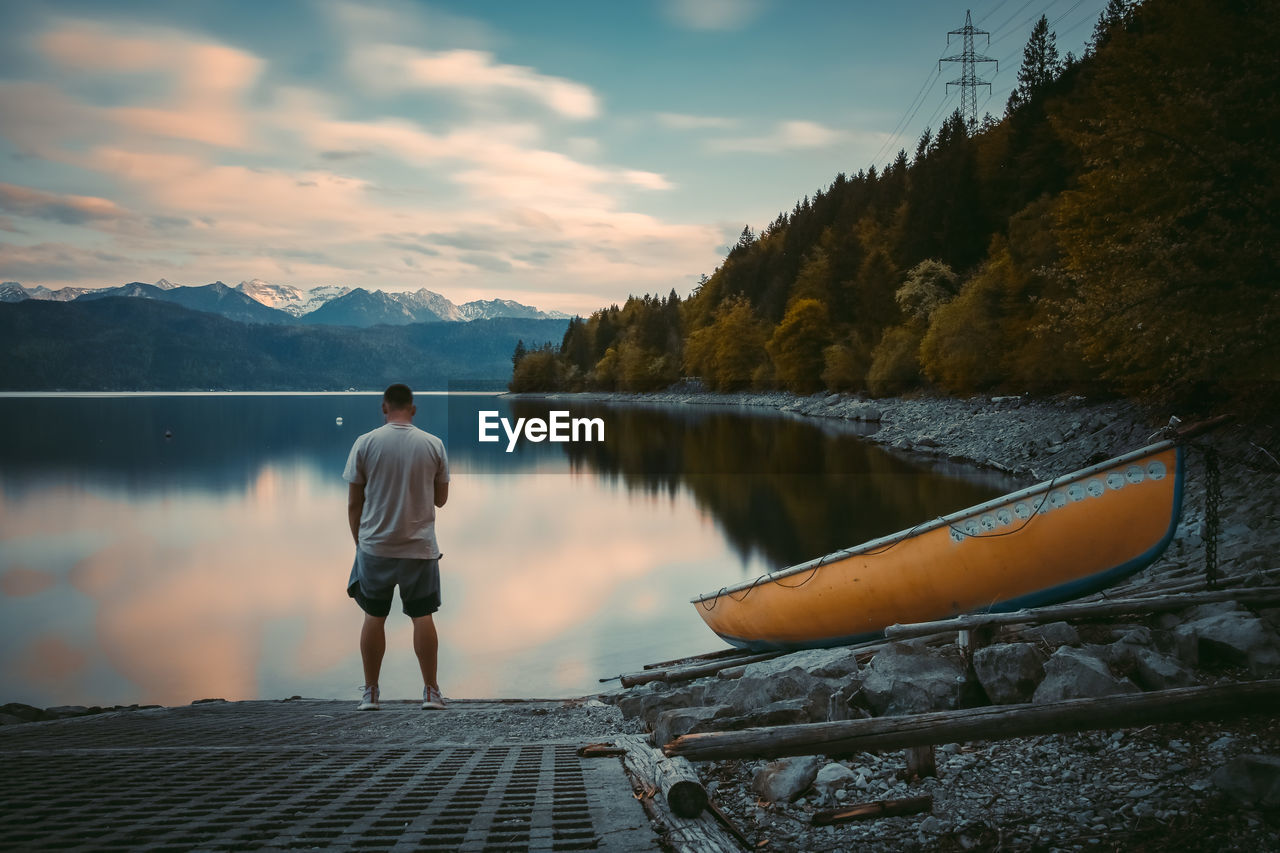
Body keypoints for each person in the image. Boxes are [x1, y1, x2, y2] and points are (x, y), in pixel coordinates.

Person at [344, 383, 450, 711]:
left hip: (376, 546)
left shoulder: (365, 443)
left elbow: (354, 504)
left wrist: (360, 544)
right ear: (413, 409)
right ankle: (431, 692)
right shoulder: (433, 444)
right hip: (419, 547)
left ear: (384, 407)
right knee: (422, 616)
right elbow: (441, 500)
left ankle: (371, 694)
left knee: (374, 616)